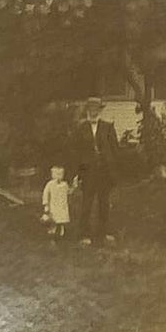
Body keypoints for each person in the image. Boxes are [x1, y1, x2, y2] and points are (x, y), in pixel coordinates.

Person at [71, 97, 119, 244]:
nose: (93, 111)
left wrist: (113, 171)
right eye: (90, 109)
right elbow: (76, 152)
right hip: (88, 171)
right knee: (87, 202)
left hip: (104, 171)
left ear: (100, 110)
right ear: (87, 110)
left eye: (96, 109)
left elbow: (115, 150)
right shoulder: (80, 128)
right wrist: (76, 174)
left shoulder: (107, 127)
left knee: (104, 202)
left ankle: (104, 233)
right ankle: (84, 234)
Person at [41, 164, 72, 238]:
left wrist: (74, 186)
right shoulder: (50, 184)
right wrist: (46, 204)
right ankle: (53, 229)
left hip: (62, 204)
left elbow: (68, 192)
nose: (59, 176)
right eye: (57, 174)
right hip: (53, 204)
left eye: (61, 174)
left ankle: (62, 230)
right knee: (53, 217)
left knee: (62, 217)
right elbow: (45, 194)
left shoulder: (64, 184)